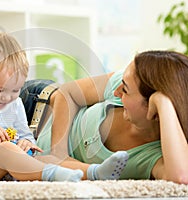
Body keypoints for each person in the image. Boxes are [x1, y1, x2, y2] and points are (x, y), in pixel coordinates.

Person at [0, 32, 128, 182]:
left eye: (15, 90)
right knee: (6, 149)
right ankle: (51, 176)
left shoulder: (15, 103)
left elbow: (24, 134)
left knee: (45, 158)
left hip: (10, 165)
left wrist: (26, 143)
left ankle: (95, 172)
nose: (7, 98)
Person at [36, 50, 188, 184]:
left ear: (152, 109)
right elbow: (66, 93)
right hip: (35, 106)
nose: (116, 91)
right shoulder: (126, 81)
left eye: (126, 90)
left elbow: (181, 177)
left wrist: (164, 102)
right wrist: (58, 154)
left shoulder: (153, 156)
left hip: (31, 157)